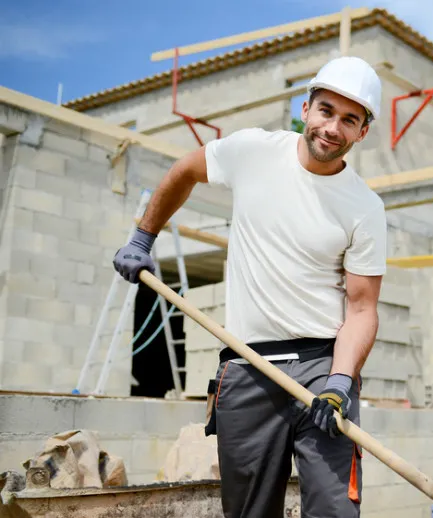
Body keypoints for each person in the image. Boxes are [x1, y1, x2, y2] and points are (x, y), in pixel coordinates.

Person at [112, 56, 388, 518]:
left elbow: (362, 309)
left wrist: (340, 382)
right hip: (246, 366)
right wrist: (143, 238)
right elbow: (185, 170)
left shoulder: (364, 207)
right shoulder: (253, 151)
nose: (332, 128)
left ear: (362, 131)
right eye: (325, 111)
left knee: (336, 511)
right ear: (306, 108)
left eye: (349, 119)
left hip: (322, 369)